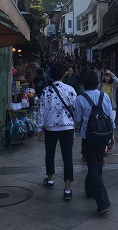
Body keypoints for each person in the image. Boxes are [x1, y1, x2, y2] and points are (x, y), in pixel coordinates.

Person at [74, 70, 115, 215]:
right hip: (103, 135)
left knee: (93, 167)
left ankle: (103, 202)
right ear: (97, 83)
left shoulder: (80, 99)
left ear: (83, 84)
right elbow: (110, 117)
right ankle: (90, 190)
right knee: (98, 163)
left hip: (89, 137)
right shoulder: (104, 96)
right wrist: (112, 136)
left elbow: (77, 120)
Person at [36, 63, 77, 201]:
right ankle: (67, 188)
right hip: (67, 127)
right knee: (67, 157)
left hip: (50, 128)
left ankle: (50, 179)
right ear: (64, 74)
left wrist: (39, 127)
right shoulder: (70, 89)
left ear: (50, 75)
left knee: (50, 154)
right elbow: (75, 108)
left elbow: (41, 109)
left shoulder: (46, 91)